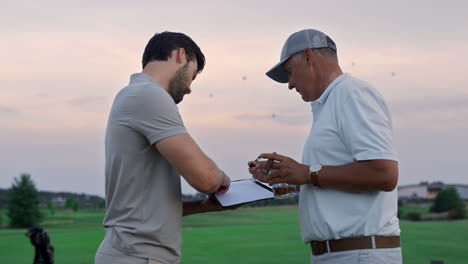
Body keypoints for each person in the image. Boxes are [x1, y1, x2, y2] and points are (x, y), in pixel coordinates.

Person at [248, 29, 402, 263]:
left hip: (359, 254)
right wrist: (289, 177)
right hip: (341, 254)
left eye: (290, 72)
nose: (289, 84)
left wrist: (308, 173)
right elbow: (330, 178)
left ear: (309, 57)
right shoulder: (330, 103)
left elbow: (384, 174)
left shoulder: (352, 94)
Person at [95, 31, 235, 264]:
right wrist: (224, 180)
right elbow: (206, 179)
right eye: (192, 75)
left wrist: (206, 206)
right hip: (138, 255)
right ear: (181, 55)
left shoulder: (135, 96)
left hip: (134, 254)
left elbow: (150, 207)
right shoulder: (148, 95)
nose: (190, 88)